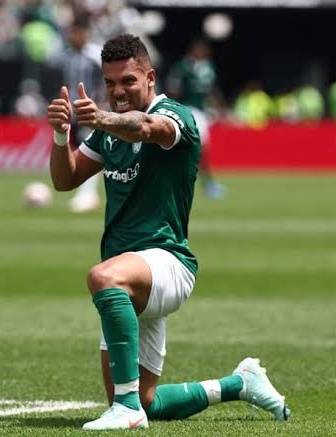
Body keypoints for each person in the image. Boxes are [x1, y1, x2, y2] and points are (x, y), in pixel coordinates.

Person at [47, 33, 290, 431]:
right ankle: (239, 383)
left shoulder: (177, 115)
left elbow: (146, 128)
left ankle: (125, 411)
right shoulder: (110, 130)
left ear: (150, 77)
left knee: (103, 278)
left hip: (167, 262)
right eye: (110, 83)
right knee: (147, 401)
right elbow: (65, 179)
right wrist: (61, 134)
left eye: (128, 81)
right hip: (131, 275)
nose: (118, 91)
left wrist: (101, 118)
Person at [166, 38, 225, 199]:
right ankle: (207, 183)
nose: (202, 53)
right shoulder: (183, 66)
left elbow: (212, 88)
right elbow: (173, 88)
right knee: (196, 147)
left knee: (199, 149)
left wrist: (220, 105)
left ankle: (207, 183)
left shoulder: (209, 67)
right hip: (188, 109)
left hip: (201, 111)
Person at [60, 14, 105, 213]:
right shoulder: (67, 56)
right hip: (72, 111)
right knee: (77, 149)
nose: (73, 36)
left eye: (77, 32)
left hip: (90, 109)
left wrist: (100, 106)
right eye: (72, 33)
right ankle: (86, 192)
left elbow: (105, 82)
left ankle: (88, 194)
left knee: (89, 149)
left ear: (85, 33)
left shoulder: (95, 56)